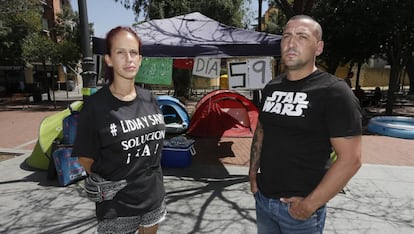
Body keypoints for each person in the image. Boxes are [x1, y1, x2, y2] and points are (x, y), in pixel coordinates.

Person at [249, 15, 362, 234]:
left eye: (302, 37)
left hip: (300, 211)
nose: (291, 43)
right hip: (263, 200)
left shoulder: (334, 92)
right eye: (286, 36)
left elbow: (351, 160)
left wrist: (309, 204)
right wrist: (253, 174)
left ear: (318, 47)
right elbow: (262, 129)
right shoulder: (272, 87)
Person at [72, 26, 167, 234]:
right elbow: (85, 158)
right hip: (118, 206)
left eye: (133, 53)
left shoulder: (149, 98)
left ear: (140, 59)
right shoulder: (95, 106)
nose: (129, 59)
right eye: (120, 52)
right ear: (108, 59)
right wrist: (111, 180)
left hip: (153, 196)